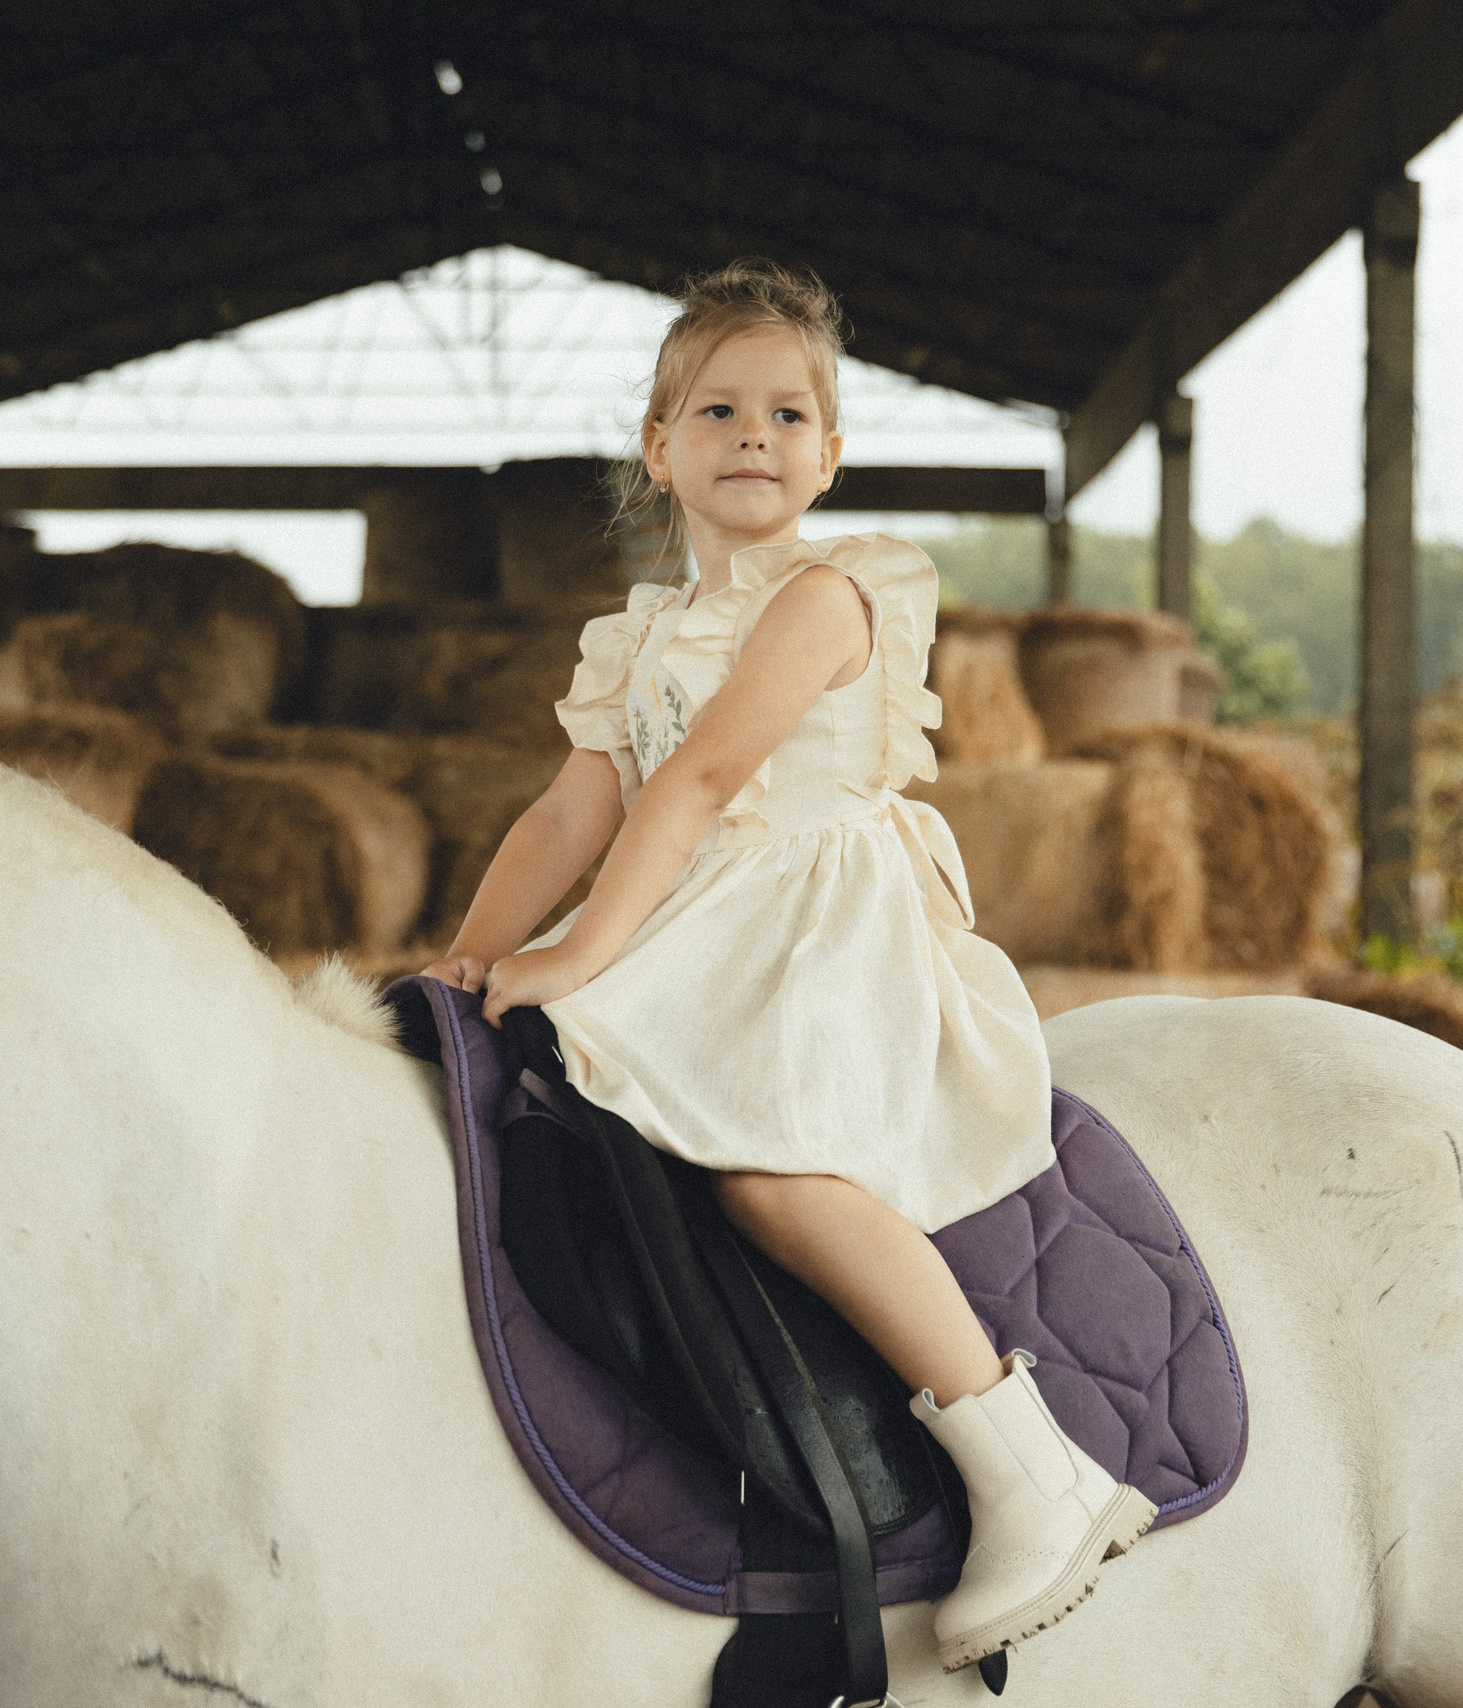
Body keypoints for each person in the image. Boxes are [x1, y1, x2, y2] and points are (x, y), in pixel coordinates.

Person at [421, 259, 1152, 1672]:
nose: (751, 435)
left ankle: (1029, 1464)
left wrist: (575, 955)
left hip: (821, 928)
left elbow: (695, 781)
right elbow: (573, 809)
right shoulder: (637, 635)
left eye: (786, 413)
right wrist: (477, 949)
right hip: (701, 927)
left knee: (769, 1167)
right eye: (716, 409)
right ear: (660, 447)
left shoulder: (832, 595)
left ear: (829, 453)